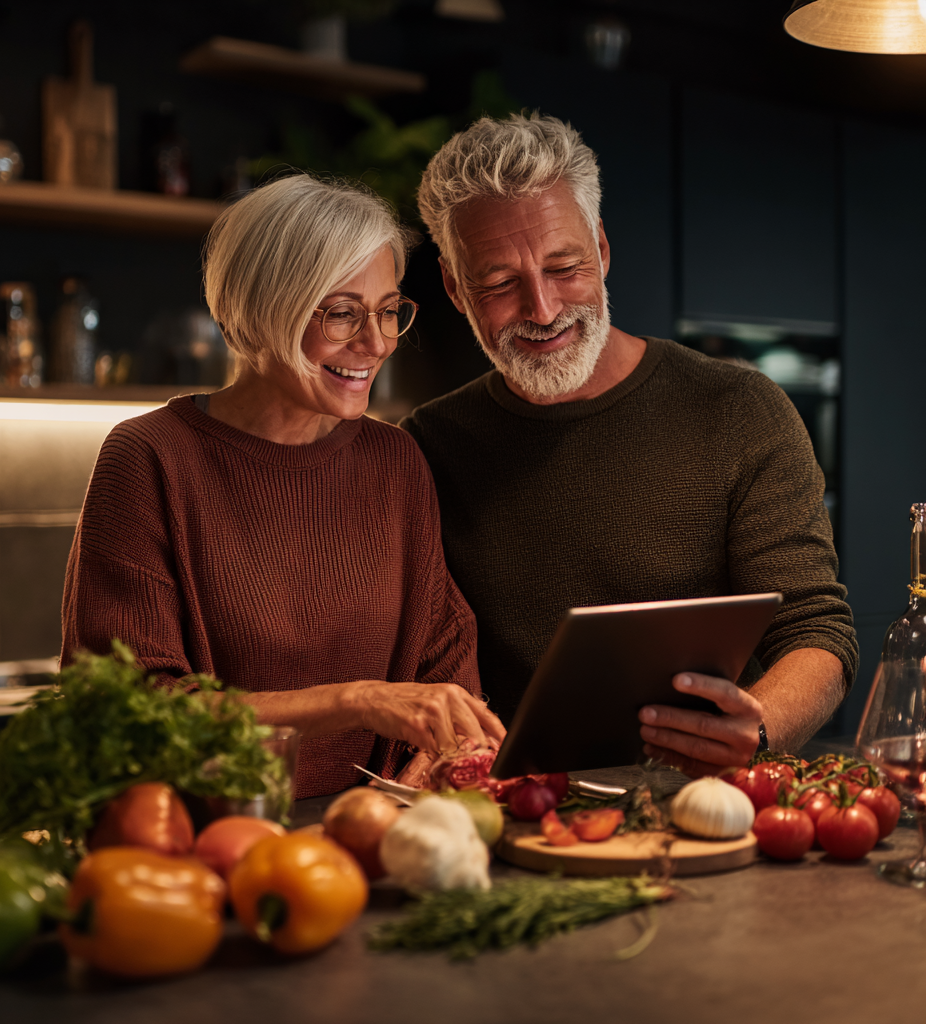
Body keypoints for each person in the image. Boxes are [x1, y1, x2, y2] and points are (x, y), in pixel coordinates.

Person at [402, 113, 857, 776]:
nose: (543, 309)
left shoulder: (739, 410)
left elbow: (817, 632)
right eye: (499, 283)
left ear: (602, 248)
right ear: (452, 287)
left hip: (701, 797)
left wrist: (757, 727)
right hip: (517, 806)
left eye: (565, 266)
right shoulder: (429, 445)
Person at [62, 173, 504, 799]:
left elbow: (444, 663)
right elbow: (126, 710)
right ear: (262, 312)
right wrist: (357, 701)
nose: (376, 342)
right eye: (343, 313)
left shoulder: (395, 461)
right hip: (205, 839)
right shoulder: (149, 457)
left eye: (387, 311)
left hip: (370, 834)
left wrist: (444, 751)